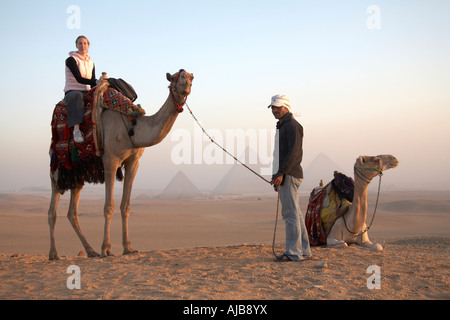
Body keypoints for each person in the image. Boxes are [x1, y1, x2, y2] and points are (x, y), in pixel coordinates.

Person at [269, 94, 311, 261]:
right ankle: (304, 250)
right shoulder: (283, 126)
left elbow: (293, 153)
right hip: (288, 174)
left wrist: (281, 174)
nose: (274, 110)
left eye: (277, 107)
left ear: (286, 107)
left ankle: (294, 252)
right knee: (296, 214)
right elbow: (279, 154)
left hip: (290, 174)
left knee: (290, 214)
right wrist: (276, 176)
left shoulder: (292, 125)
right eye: (272, 107)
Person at [63, 35, 107, 143]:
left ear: (88, 46)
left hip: (87, 91)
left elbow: (92, 83)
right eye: (80, 43)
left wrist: (100, 82)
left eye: (85, 43)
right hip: (73, 90)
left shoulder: (91, 63)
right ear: (76, 45)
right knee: (77, 96)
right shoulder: (70, 60)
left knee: (104, 97)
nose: (82, 45)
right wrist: (95, 81)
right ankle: (76, 130)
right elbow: (78, 78)